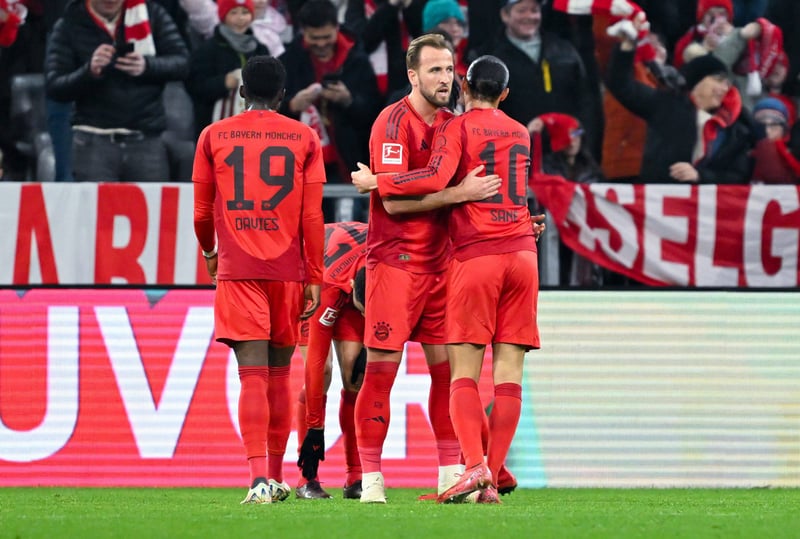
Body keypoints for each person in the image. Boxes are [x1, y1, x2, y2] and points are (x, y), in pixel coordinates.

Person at [356, 54, 540, 504]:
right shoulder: (521, 132)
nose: (442, 78)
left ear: (464, 85)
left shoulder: (455, 127)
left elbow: (436, 175)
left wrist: (379, 181)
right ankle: (491, 477)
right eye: (434, 69)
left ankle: (474, 468)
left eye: (447, 71)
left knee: (462, 375)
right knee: (509, 375)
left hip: (474, 258)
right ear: (505, 94)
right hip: (522, 254)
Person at [192, 55, 325, 504]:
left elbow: (201, 213)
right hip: (288, 270)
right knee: (280, 375)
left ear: (242, 92)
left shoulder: (213, 136)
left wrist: (210, 252)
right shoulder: (305, 137)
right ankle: (277, 474)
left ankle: (257, 481)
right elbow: (312, 216)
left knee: (251, 375)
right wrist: (314, 274)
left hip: (239, 269)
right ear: (283, 96)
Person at [45, 0, 190, 182]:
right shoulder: (70, 23)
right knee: (93, 202)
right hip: (93, 141)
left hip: (146, 140)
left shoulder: (152, 14)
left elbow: (183, 63)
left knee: (151, 201)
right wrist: (89, 71)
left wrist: (147, 66)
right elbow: (55, 86)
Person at [606, 14, 757, 184]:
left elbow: (738, 176)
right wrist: (627, 46)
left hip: (706, 200)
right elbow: (621, 85)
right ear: (697, 82)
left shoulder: (733, 127)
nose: (724, 89)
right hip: (660, 195)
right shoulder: (666, 105)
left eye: (727, 84)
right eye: (718, 80)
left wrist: (700, 175)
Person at [278, 0, 382, 221]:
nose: (321, 43)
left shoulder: (358, 60)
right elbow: (269, 114)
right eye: (314, 38)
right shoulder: (287, 62)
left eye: (326, 37)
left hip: (348, 163)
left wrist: (349, 101)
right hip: (299, 165)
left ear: (337, 28)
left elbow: (375, 114)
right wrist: (291, 106)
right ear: (303, 32)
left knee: (347, 229)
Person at [294, 221, 368, 500]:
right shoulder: (330, 286)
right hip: (313, 282)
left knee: (356, 378)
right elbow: (315, 361)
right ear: (352, 286)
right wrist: (316, 429)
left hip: (356, 274)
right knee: (322, 373)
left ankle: (355, 476)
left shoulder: (387, 272)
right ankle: (307, 477)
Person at [186, 0, 271, 135]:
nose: (240, 18)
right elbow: (195, 87)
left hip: (253, 130)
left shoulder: (261, 49)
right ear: (223, 16)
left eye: (245, 12)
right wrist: (223, 83)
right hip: (214, 128)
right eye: (233, 13)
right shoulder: (207, 50)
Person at [749, 96, 800, 183]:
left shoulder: (793, 153)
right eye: (761, 126)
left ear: (783, 129)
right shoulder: (745, 151)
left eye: (774, 125)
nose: (767, 131)